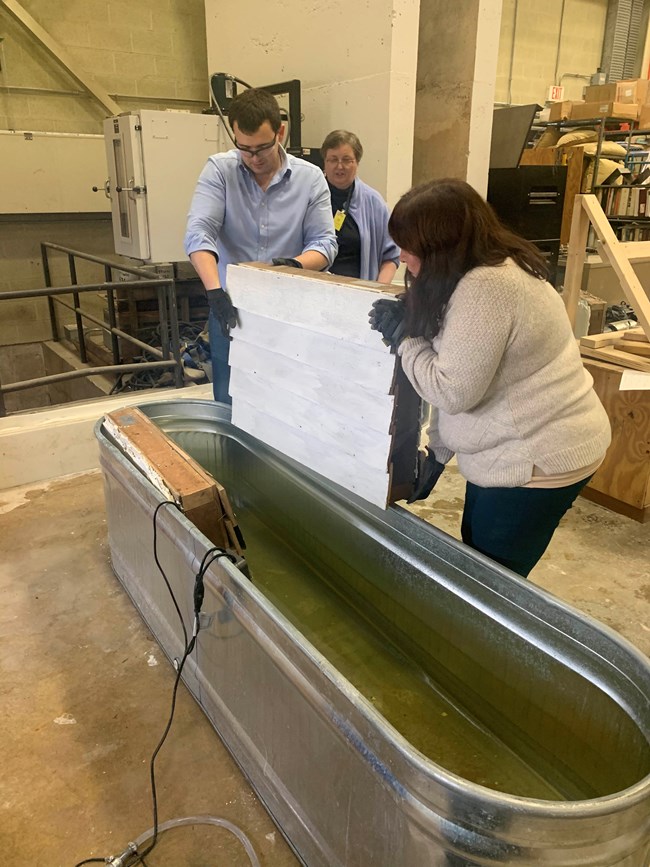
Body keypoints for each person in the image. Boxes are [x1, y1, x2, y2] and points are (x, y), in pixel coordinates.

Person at [369, 178, 611, 578]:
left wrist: (406, 341)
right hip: (519, 447)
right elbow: (470, 372)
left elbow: (452, 389)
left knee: (491, 582)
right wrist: (440, 453)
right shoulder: (481, 271)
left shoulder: (488, 287)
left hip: (538, 459)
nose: (404, 258)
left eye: (412, 249)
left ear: (443, 248)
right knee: (476, 550)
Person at [184, 88, 338, 403]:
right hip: (230, 308)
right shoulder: (219, 171)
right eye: (245, 148)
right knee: (230, 403)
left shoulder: (310, 179)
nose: (254, 158)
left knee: (287, 401)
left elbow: (325, 243)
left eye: (262, 148)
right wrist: (214, 292)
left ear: (279, 132)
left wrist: (293, 265)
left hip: (289, 312)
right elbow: (199, 231)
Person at [320, 130, 399, 283]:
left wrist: (377, 290)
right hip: (316, 289)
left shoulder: (374, 202)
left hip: (358, 292)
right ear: (325, 162)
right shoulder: (310, 197)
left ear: (357, 162)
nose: (339, 166)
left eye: (347, 160)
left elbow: (390, 256)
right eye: (333, 159)